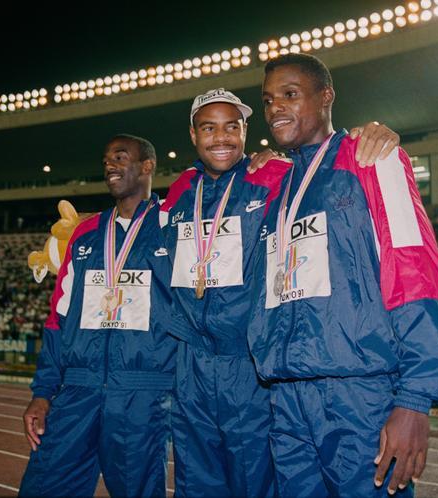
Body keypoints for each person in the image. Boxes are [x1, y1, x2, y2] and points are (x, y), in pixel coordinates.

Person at [160, 88, 399, 497]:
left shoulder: (273, 176)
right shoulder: (180, 190)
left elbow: (319, 170)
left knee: (257, 481)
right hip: (192, 366)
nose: (221, 137)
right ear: (193, 134)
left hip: (250, 366)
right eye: (209, 128)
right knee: (196, 482)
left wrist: (367, 135)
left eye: (232, 127)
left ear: (246, 130)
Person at [248, 54, 438, 497]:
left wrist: (415, 398)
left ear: (326, 96)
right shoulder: (276, 187)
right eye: (267, 100)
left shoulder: (373, 159)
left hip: (360, 395)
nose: (275, 108)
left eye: (290, 94)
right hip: (287, 399)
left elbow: (415, 275)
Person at [19, 135, 177, 498]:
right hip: (78, 390)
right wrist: (43, 392)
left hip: (142, 394)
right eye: (106, 160)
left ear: (147, 166)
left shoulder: (173, 226)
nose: (110, 165)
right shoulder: (85, 233)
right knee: (44, 487)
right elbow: (58, 320)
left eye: (120, 157)